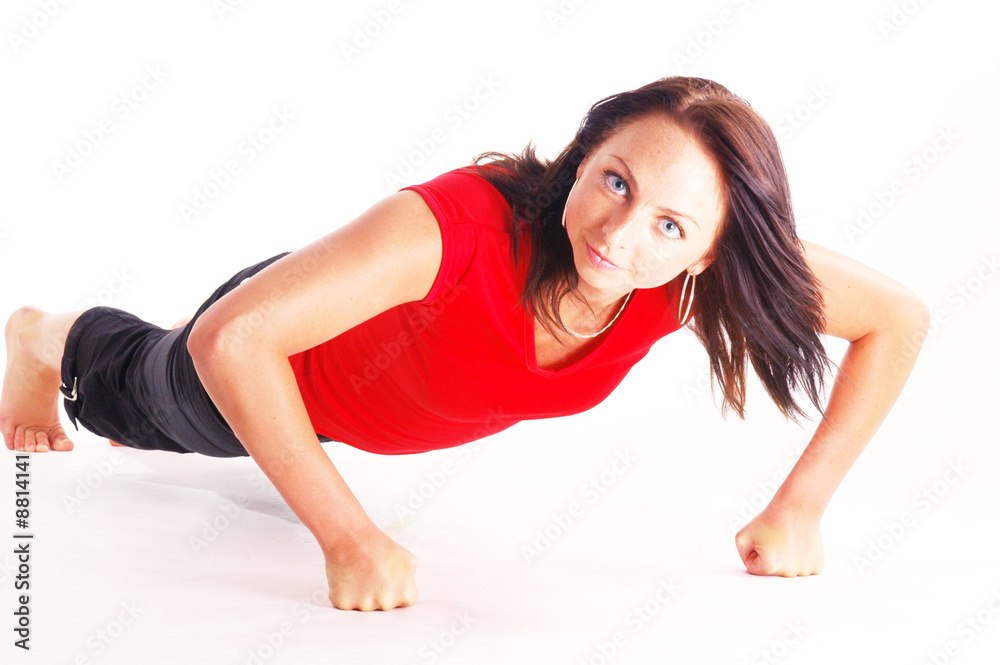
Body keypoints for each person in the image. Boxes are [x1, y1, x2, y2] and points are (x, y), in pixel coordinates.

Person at [0, 76, 930, 612]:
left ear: (711, 248)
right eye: (614, 180)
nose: (621, 233)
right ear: (583, 153)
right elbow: (235, 339)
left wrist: (801, 508)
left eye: (670, 225)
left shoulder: (687, 279)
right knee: (142, 397)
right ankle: (39, 335)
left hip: (316, 375)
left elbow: (898, 318)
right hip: (269, 365)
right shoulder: (457, 230)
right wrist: (350, 538)